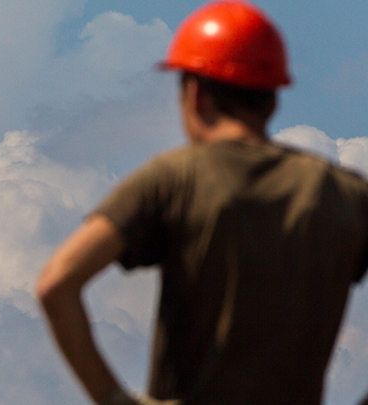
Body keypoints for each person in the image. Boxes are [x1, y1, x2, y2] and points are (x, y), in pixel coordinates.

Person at [36, 1, 368, 404]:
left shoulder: (175, 178)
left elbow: (56, 283)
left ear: (195, 94)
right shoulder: (344, 193)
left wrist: (113, 398)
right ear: (272, 100)